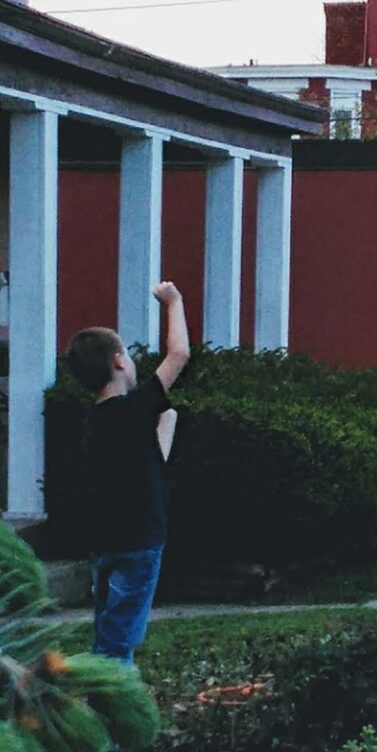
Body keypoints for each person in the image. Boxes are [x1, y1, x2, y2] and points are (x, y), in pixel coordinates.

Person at [66, 281, 190, 665]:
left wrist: (166, 423)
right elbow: (180, 353)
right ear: (119, 361)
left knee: (110, 629)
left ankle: (105, 695)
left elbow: (149, 467)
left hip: (106, 547)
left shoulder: (95, 423)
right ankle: (112, 706)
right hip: (140, 545)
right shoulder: (134, 409)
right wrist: (174, 302)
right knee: (119, 642)